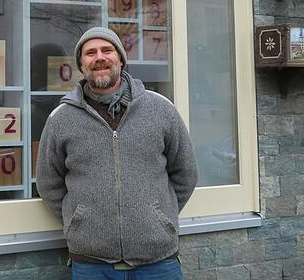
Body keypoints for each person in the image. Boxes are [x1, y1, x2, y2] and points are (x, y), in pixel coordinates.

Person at [36, 27, 198, 279]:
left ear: (121, 59)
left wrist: (159, 217)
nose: (99, 57)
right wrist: (79, 219)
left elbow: (185, 173)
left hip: (158, 262)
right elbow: (49, 183)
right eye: (90, 53)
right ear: (81, 64)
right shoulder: (61, 118)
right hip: (91, 264)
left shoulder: (160, 109)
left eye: (107, 50)